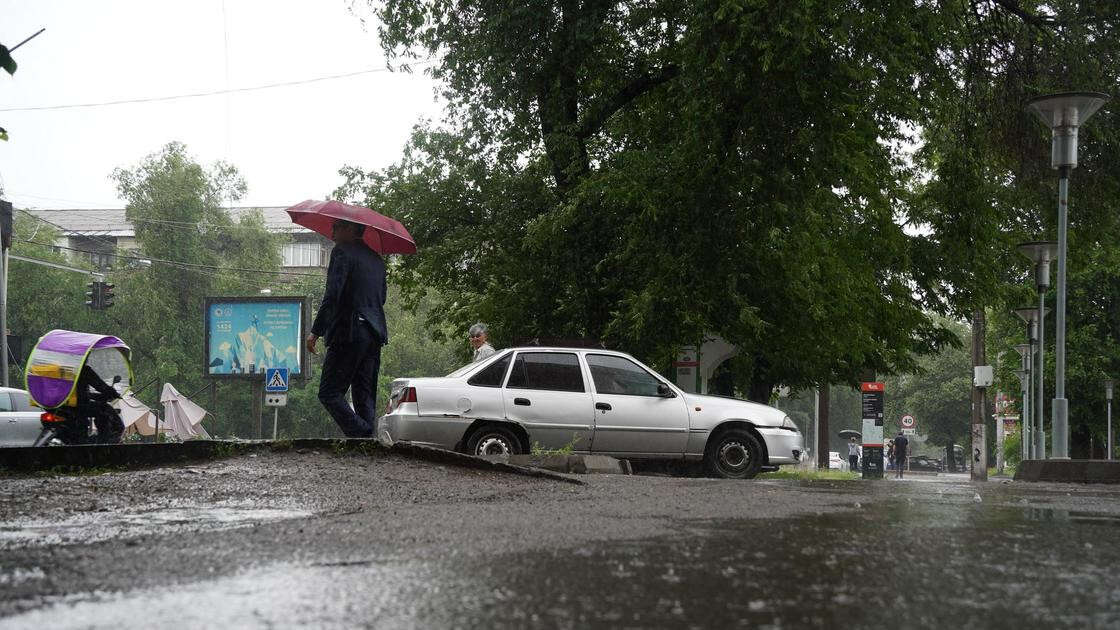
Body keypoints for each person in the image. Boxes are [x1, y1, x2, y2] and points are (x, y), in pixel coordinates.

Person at [306, 219, 388, 438]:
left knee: (329, 393)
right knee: (365, 394)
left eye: (336, 228)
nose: (331, 233)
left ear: (351, 229)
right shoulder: (377, 259)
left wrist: (316, 332)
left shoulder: (342, 252)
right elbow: (383, 297)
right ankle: (367, 443)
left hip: (349, 332)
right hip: (374, 333)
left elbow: (333, 295)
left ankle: (364, 432)